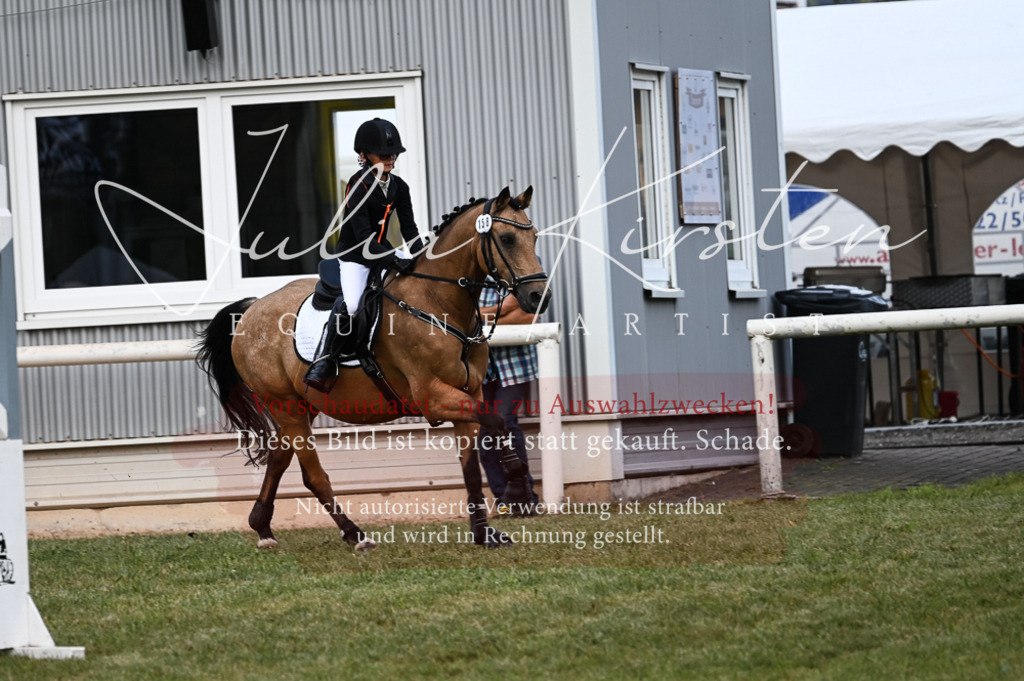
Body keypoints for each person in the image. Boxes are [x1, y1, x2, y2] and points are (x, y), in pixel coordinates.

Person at [304, 118, 424, 393]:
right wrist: (395, 260)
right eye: (383, 154)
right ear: (364, 155)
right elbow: (363, 236)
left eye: (393, 153)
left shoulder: (400, 186)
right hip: (355, 256)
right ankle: (325, 361)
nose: (390, 158)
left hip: (383, 250)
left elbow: (409, 229)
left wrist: (421, 256)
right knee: (352, 305)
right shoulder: (357, 184)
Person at [477, 287, 541, 514]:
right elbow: (464, 317)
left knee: (505, 422)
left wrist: (481, 318)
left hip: (515, 367)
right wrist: (503, 309)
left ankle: (525, 497)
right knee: (485, 431)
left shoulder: (520, 274)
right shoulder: (472, 277)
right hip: (481, 370)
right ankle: (504, 501)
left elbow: (529, 317)